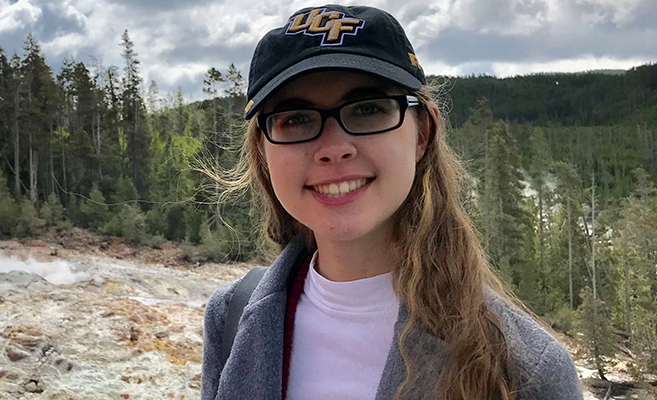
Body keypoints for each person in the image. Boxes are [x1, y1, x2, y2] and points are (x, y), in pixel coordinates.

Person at [201, 4, 582, 400]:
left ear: (422, 133)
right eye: (295, 118)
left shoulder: (520, 367)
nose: (333, 148)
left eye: (367, 109)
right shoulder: (230, 319)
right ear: (263, 149)